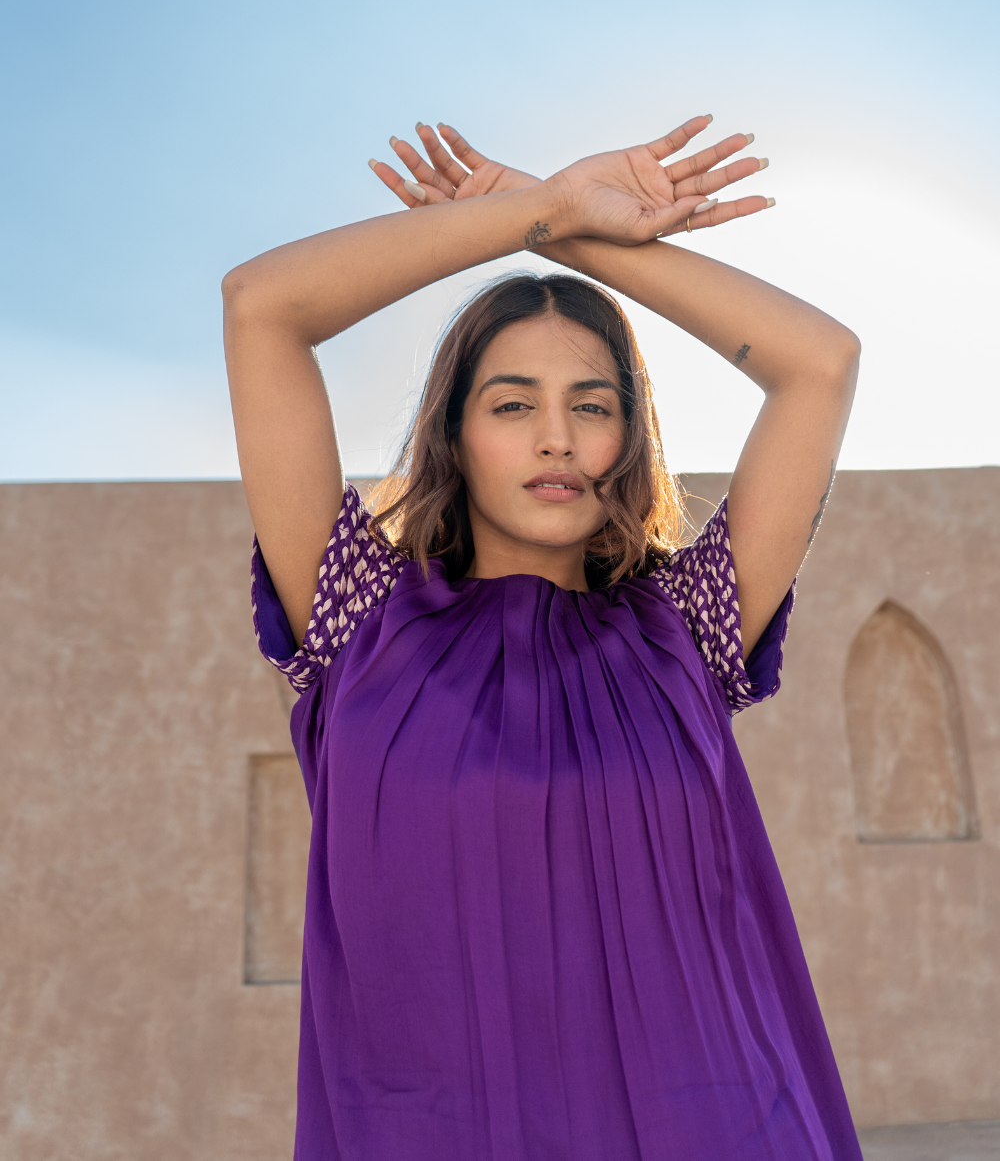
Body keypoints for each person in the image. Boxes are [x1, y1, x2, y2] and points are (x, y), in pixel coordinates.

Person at [223, 114, 862, 1161]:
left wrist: (559, 228)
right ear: (454, 436)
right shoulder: (357, 624)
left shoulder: (687, 634)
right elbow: (260, 309)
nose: (556, 437)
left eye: (592, 405)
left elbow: (819, 364)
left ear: (629, 437)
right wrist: (535, 211)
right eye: (512, 403)